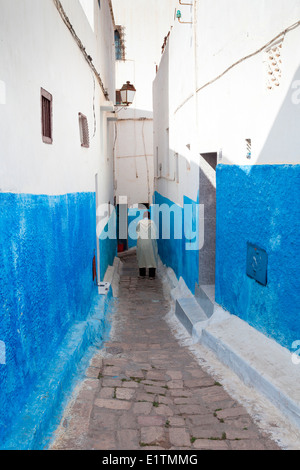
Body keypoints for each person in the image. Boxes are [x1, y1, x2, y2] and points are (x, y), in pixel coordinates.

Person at [136, 210, 158, 279]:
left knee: (141, 258)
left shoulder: (139, 222)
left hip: (141, 242)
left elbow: (137, 230)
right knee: (151, 258)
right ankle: (151, 275)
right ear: (149, 216)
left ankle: (142, 274)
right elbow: (155, 232)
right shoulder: (151, 222)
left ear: (143, 216)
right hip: (150, 243)